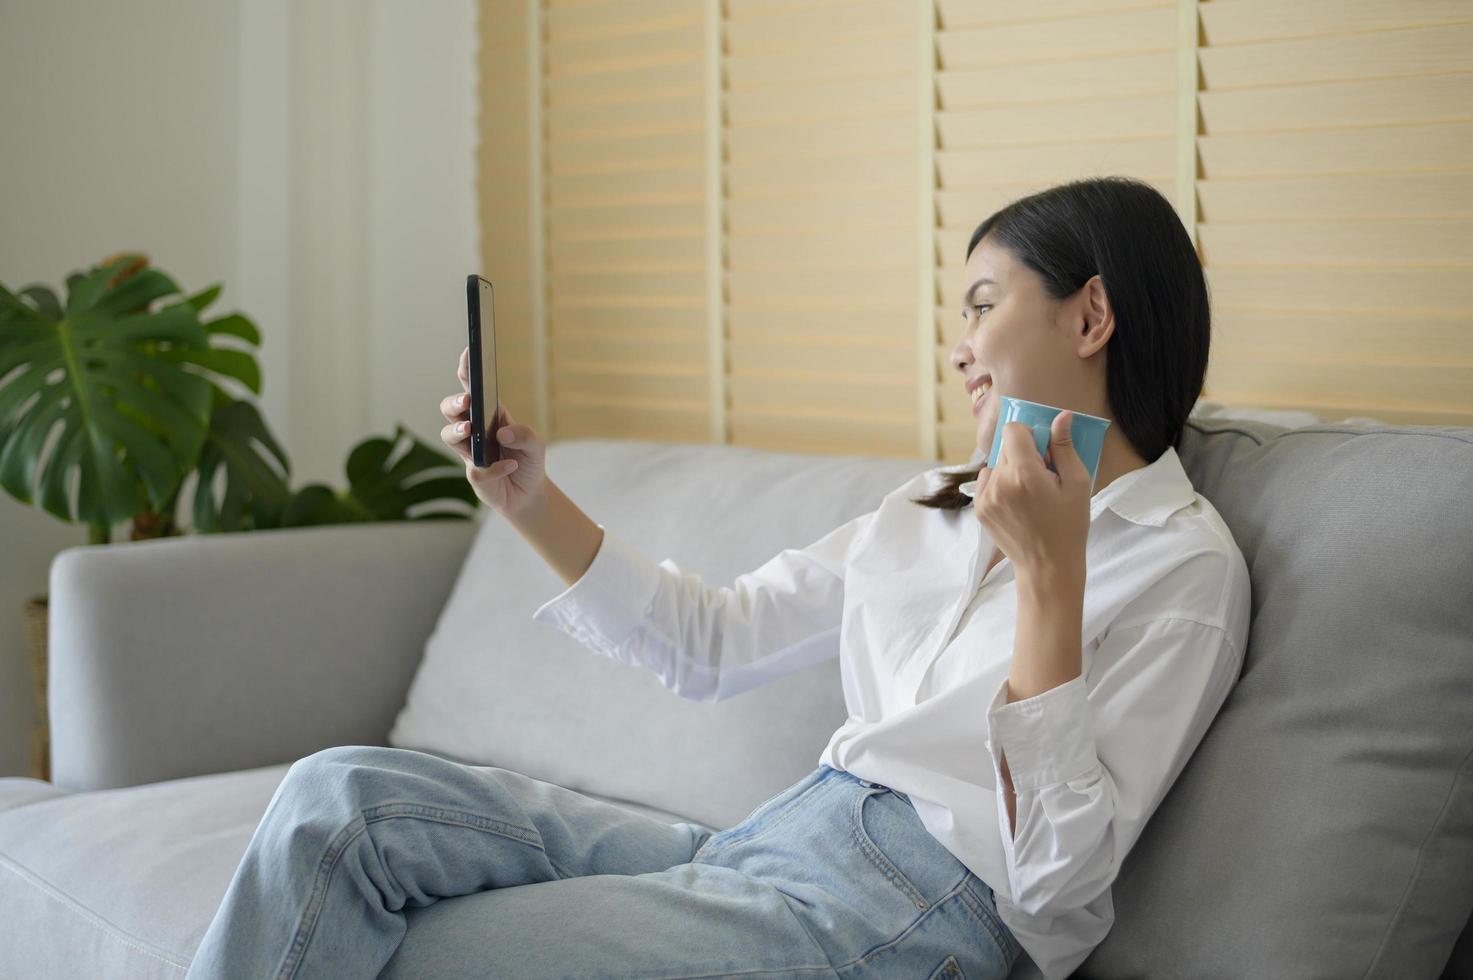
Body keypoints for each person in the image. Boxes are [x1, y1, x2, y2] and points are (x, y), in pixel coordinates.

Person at [185, 175, 1250, 980]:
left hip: (910, 908)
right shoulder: (937, 501)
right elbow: (716, 637)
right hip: (771, 838)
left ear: (1091, 315)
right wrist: (529, 500)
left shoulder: (1183, 566)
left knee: (419, 950)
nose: (959, 345)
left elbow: (1058, 880)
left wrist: (1051, 582)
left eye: (981, 304)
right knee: (341, 800)